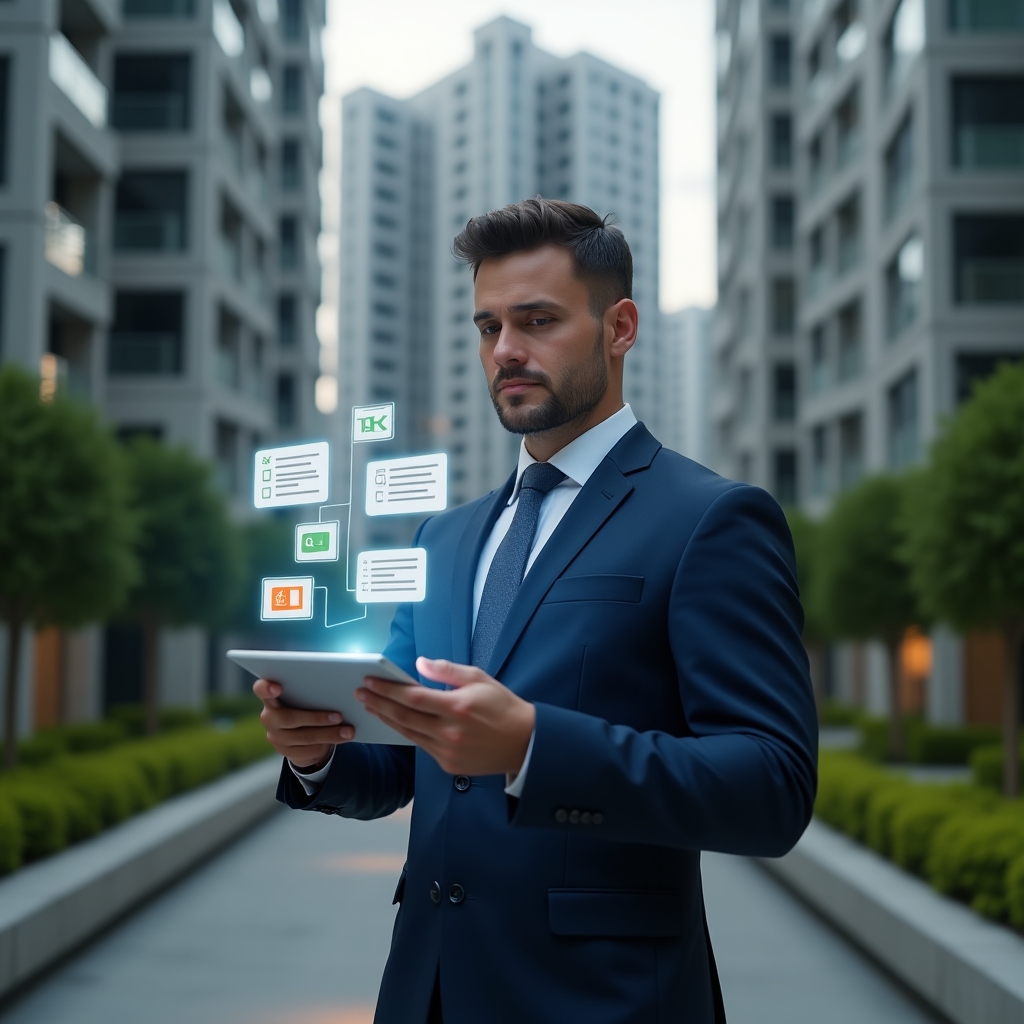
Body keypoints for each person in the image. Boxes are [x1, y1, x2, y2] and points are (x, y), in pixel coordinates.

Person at [255, 198, 817, 1024]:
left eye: (538, 321)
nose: (506, 351)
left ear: (619, 328)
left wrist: (532, 747)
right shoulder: (444, 538)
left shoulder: (711, 518)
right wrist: (318, 752)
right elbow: (405, 763)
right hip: (427, 994)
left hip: (606, 1004)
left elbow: (771, 786)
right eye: (489, 327)